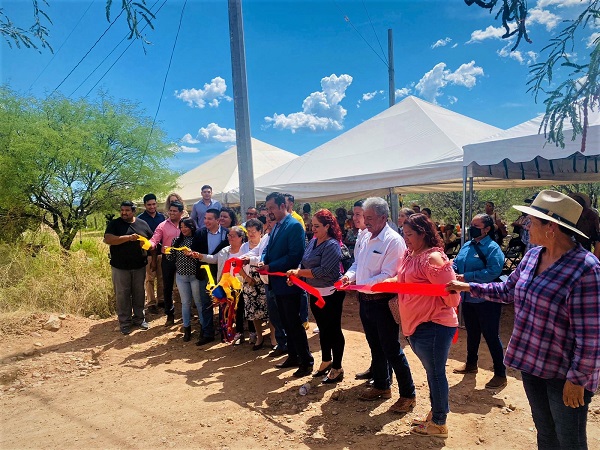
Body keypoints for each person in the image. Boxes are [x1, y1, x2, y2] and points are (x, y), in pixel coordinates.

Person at [447, 190, 600, 450]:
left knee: (570, 441)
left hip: (563, 373)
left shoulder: (585, 268)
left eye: (531, 221)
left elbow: (592, 335)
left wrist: (578, 379)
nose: (526, 226)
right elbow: (507, 290)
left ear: (551, 227)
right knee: (546, 434)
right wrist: (467, 287)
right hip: (532, 364)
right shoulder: (532, 257)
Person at [339, 197, 416, 413]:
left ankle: (408, 394)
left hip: (383, 302)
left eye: (370, 218)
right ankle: (382, 385)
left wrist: (360, 285)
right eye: (364, 217)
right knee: (375, 345)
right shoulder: (364, 236)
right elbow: (357, 264)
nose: (365, 221)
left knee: (391, 348)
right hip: (365, 301)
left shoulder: (393, 241)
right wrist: (349, 277)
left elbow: (388, 275)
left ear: (383, 217)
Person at [390, 213, 460, 438]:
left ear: (423, 233)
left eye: (409, 234)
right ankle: (436, 414)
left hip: (434, 325)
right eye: (404, 234)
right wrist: (373, 284)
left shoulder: (433, 260)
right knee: (432, 373)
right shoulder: (411, 255)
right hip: (419, 326)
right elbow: (403, 281)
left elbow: (453, 297)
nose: (406, 238)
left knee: (436, 374)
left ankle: (440, 423)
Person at [287, 209, 346, 384]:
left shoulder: (332, 245)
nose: (313, 229)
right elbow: (304, 261)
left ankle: (337, 367)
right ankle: (326, 360)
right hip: (314, 293)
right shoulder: (313, 241)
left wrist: (299, 272)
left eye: (317, 226)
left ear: (328, 226)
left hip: (331, 295)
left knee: (333, 330)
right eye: (312, 225)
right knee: (322, 328)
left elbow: (324, 271)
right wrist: (296, 275)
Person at [452, 214, 506, 389]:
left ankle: (500, 373)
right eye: (471, 224)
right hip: (467, 298)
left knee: (491, 336)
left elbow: (493, 271)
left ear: (487, 229)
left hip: (486, 299)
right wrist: (449, 268)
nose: (471, 228)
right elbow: (457, 264)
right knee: (472, 332)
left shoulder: (493, 248)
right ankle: (471, 364)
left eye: (476, 225)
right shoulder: (467, 245)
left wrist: (466, 277)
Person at [261, 192, 312, 377]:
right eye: (268, 209)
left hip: (290, 284)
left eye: (272, 208)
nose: (269, 212)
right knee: (285, 322)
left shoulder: (294, 226)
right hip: (277, 283)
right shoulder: (276, 226)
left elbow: (294, 256)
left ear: (283, 206)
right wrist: (263, 261)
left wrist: (270, 265)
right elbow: (269, 250)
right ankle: (293, 356)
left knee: (294, 323)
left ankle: (306, 361)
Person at [103, 201, 153, 335]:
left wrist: (151, 258)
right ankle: (124, 322)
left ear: (134, 211)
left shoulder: (142, 223)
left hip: (139, 266)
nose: (124, 213)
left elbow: (151, 241)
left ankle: (139, 319)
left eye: (127, 210)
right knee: (122, 295)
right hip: (120, 267)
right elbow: (108, 239)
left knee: (139, 293)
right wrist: (128, 238)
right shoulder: (114, 224)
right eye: (122, 210)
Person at [191, 226, 247, 343]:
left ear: (241, 238)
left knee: (240, 311)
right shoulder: (224, 251)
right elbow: (214, 258)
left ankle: (240, 333)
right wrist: (200, 256)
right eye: (228, 236)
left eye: (232, 236)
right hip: (226, 286)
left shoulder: (246, 250)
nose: (229, 238)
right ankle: (225, 334)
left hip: (242, 286)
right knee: (225, 311)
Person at [190, 208, 229, 345]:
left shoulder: (227, 234)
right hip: (204, 274)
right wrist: (192, 254)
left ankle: (225, 332)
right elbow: (193, 250)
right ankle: (207, 333)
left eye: (210, 219)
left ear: (218, 220)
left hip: (222, 273)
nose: (206, 221)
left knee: (224, 302)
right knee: (205, 303)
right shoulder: (199, 233)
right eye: (205, 218)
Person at [149, 201, 184, 326]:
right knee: (167, 287)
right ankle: (170, 315)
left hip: (183, 258)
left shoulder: (186, 224)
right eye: (171, 210)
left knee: (183, 285)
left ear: (181, 212)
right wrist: (149, 244)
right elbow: (155, 239)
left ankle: (185, 313)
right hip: (168, 258)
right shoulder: (162, 225)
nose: (172, 213)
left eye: (175, 211)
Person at [166, 218, 199, 342]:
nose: (183, 229)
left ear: (192, 226)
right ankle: (187, 329)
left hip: (195, 276)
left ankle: (203, 328)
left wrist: (192, 255)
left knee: (199, 302)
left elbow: (201, 258)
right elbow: (170, 258)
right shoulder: (176, 241)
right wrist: (167, 251)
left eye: (186, 226)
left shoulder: (197, 240)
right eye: (181, 227)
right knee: (185, 303)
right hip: (181, 276)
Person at [239, 218, 270, 350]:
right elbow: (239, 264)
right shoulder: (244, 246)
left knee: (269, 309)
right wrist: (246, 278)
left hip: (264, 279)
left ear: (260, 232)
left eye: (253, 231)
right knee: (253, 311)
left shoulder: (265, 243)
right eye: (248, 231)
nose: (250, 234)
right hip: (249, 282)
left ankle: (273, 338)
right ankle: (259, 337)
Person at [137, 194, 166, 314]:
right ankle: (151, 303)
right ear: (145, 205)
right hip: (148, 254)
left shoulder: (162, 217)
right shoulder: (140, 219)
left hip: (161, 252)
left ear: (156, 204)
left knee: (161, 277)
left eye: (154, 204)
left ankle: (161, 300)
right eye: (149, 204)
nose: (152, 206)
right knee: (149, 279)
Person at [569, 192, 600, 258]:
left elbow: (595, 234)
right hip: (570, 245)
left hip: (585, 244)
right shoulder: (569, 215)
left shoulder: (591, 215)